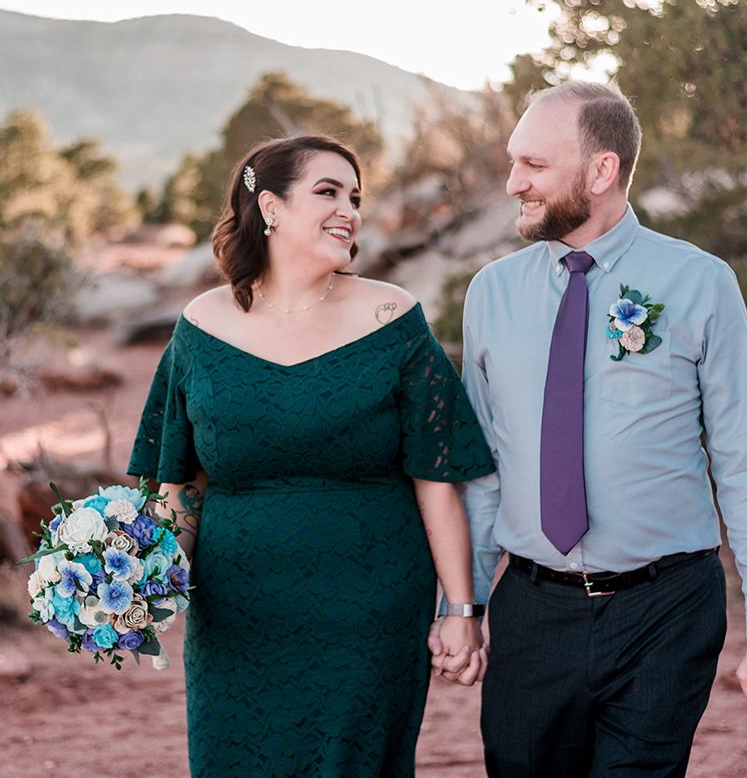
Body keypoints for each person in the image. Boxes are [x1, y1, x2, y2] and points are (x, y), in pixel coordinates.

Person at [441, 82, 747, 776]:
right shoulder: (491, 292)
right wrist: (463, 604)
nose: (514, 182)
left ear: (601, 170)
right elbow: (483, 472)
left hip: (664, 612)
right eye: (514, 162)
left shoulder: (701, 283)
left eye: (535, 165)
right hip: (533, 613)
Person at [128, 135, 495, 777]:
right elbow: (181, 484)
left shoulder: (393, 316)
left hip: (372, 605)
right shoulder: (201, 326)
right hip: (237, 613)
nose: (348, 210)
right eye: (327, 192)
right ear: (269, 207)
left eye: (354, 197)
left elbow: (438, 481)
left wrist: (460, 610)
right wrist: (142, 585)